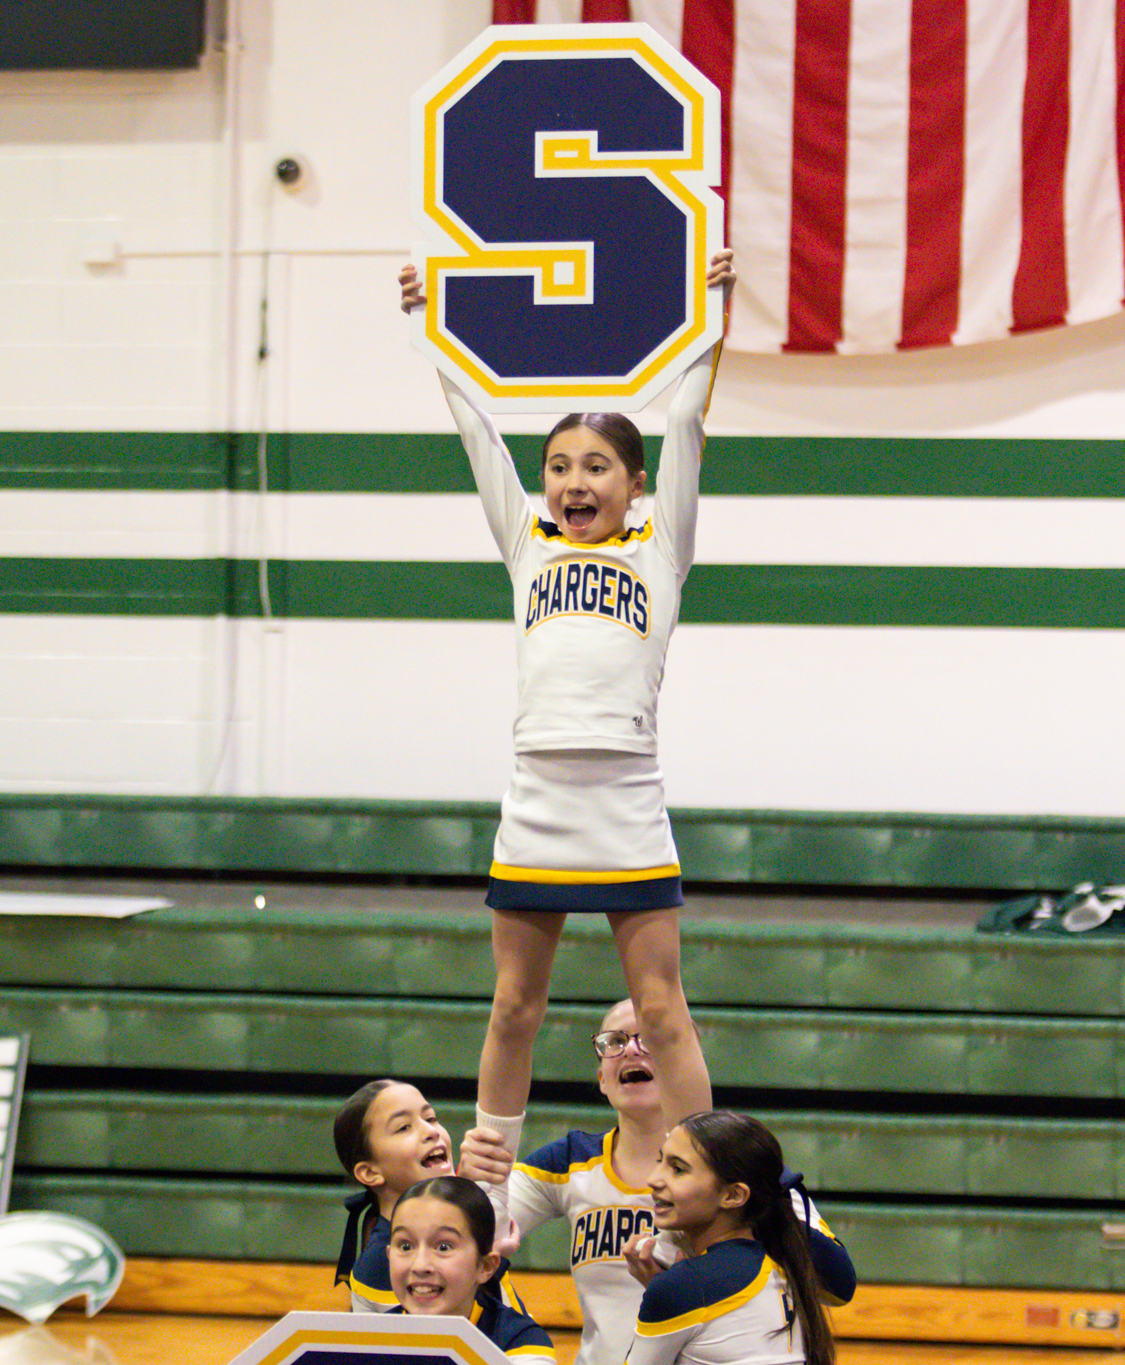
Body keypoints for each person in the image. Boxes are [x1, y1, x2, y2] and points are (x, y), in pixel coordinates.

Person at [399, 252, 737, 1219]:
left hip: (625, 794)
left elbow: (687, 420)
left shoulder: (661, 549)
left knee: (662, 1008)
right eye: (558, 467)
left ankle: (699, 1187)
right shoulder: (527, 544)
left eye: (596, 467)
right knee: (516, 1004)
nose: (572, 482)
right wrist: (431, 326)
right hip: (539, 794)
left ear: (636, 483)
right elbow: (475, 430)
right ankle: (486, 1192)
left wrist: (712, 313)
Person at [506, 1000, 854, 1365]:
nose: (631, 1050)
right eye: (615, 1041)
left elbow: (838, 1286)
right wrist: (524, 1343)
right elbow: (477, 1235)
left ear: (689, 1065)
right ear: (601, 1079)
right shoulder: (568, 1161)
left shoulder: (745, 1165)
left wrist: (705, 1270)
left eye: (650, 1038)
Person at [619, 1111, 837, 1365]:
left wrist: (663, 1294)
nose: (653, 1179)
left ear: (733, 1195)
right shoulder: (787, 1265)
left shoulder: (685, 1285)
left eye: (678, 1169)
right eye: (660, 1161)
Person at [331, 1078, 516, 1313]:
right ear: (370, 1172)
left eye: (430, 1119)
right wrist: (488, 1252)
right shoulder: (382, 1264)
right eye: (403, 1127)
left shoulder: (466, 1209)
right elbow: (453, 1333)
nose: (431, 1131)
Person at [388, 1175, 557, 1365]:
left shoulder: (520, 1342)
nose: (420, 1266)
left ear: (486, 1267)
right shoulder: (370, 1337)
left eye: (443, 1247)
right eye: (405, 1246)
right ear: (388, 1254)